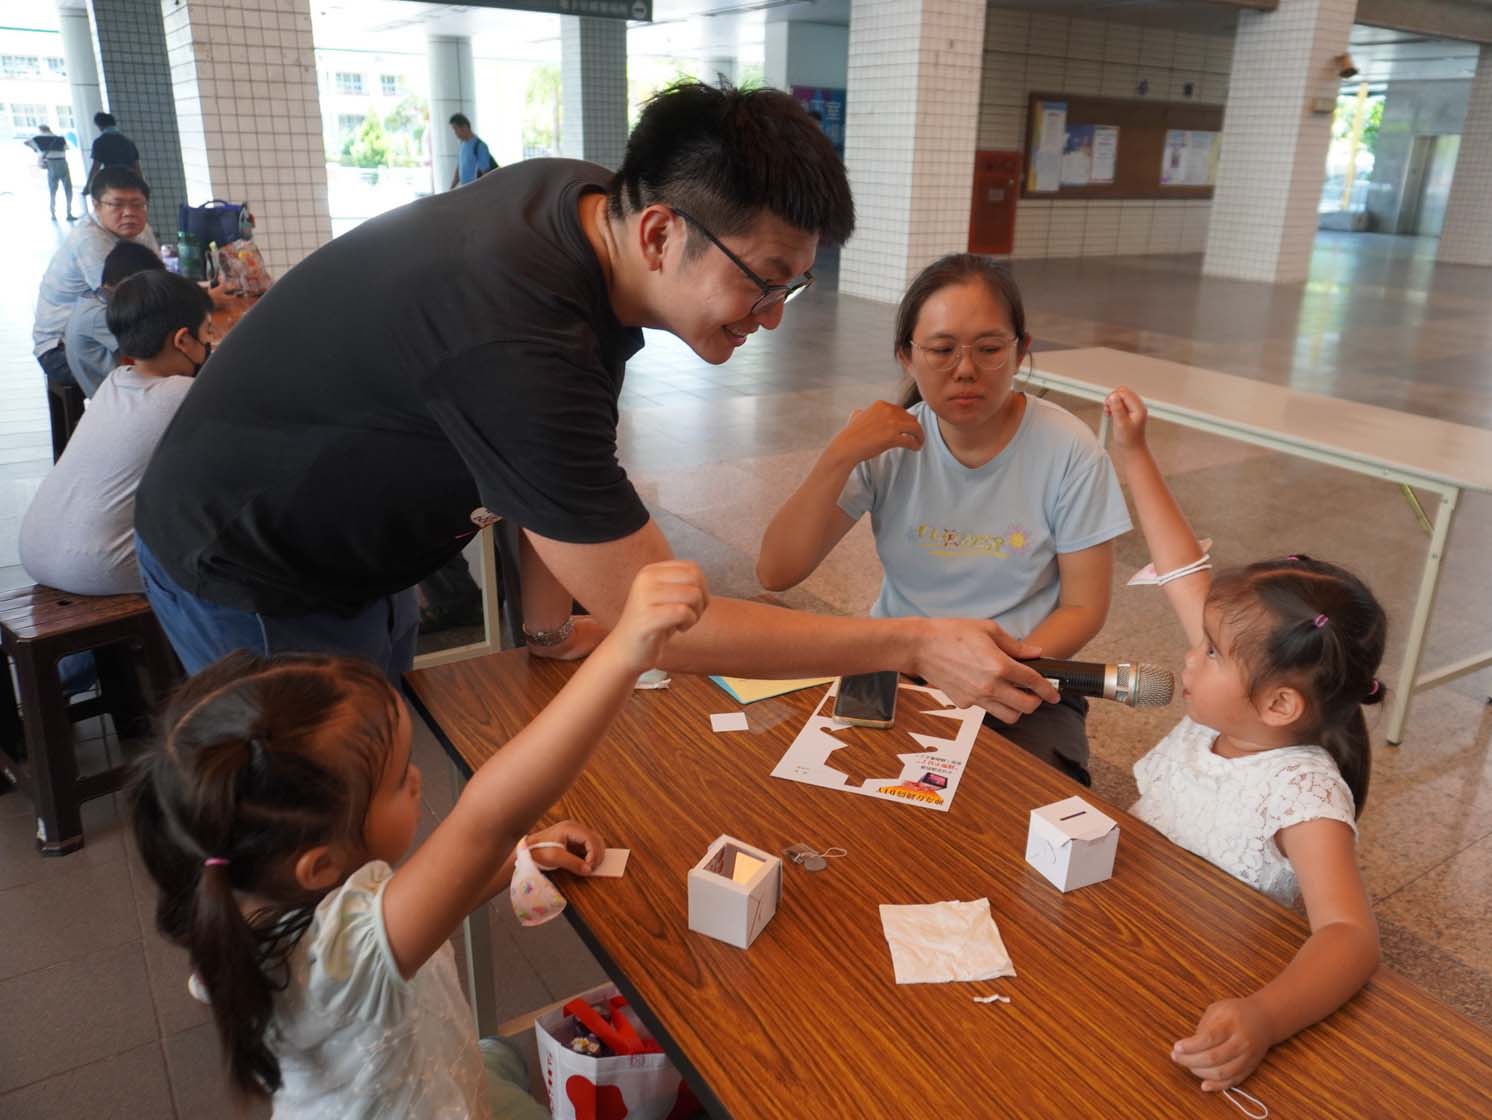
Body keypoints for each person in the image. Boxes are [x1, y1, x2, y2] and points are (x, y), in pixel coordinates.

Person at [134, 82, 1057, 721]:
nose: (772, 320)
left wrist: (545, 625)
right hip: (251, 557)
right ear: (661, 231)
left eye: (793, 290)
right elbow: (656, 617)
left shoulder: (584, 207)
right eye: (763, 284)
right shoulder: (513, 328)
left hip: (359, 542)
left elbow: (554, 473)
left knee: (375, 749)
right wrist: (907, 644)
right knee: (305, 816)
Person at [128, 559, 708, 1115]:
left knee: (494, 1064)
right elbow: (487, 819)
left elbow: (417, 896)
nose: (417, 778)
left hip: (440, 1071)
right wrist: (623, 650)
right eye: (397, 779)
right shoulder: (340, 962)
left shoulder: (254, 897)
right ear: (320, 864)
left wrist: (518, 860)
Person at [1103, 386, 1383, 1095]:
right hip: (1128, 930)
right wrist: (1134, 453)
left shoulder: (1302, 793)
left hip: (1202, 980)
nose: (1189, 659)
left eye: (1212, 655)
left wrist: (1264, 1017)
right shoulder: (1236, 708)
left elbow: (1349, 937)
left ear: (1280, 703)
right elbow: (1179, 564)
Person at [757, 255, 1130, 783]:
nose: (965, 369)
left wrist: (997, 670)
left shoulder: (1068, 448)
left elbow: (1083, 606)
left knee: (1023, 807)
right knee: (846, 794)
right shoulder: (886, 445)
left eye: (989, 348)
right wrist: (838, 456)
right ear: (906, 356)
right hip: (895, 663)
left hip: (1023, 673)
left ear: (1022, 350)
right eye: (941, 349)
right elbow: (776, 571)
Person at [20, 272, 213, 597]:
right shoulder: (181, 392)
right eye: (208, 331)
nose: (212, 341)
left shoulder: (114, 382)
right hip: (102, 568)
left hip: (34, 550)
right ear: (182, 340)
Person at [32, 167, 159, 389]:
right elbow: (138, 302)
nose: (129, 212)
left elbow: (159, 281)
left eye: (137, 204)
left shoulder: (141, 230)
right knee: (166, 372)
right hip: (62, 347)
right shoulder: (90, 240)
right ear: (97, 205)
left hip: (114, 330)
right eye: (117, 204)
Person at [63, 240, 165, 397]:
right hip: (114, 398)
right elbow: (150, 349)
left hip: (118, 389)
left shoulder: (94, 299)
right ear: (128, 283)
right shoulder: (99, 315)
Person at [27, 124, 76, 222]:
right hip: (62, 163)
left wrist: (37, 150)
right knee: (68, 189)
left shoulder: (38, 138)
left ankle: (53, 214)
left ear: (40, 130)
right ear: (49, 129)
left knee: (52, 190)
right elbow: (66, 148)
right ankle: (69, 213)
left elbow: (26, 142)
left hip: (51, 164)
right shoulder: (60, 138)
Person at [86, 111, 141, 192]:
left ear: (100, 126)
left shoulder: (99, 142)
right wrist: (141, 184)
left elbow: (96, 167)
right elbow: (137, 167)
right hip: (130, 181)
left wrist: (88, 185)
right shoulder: (128, 142)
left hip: (113, 182)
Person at [448, 112, 497, 189]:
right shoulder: (462, 145)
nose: (455, 133)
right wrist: (450, 189)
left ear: (464, 127)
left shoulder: (480, 146)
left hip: (476, 192)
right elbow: (459, 169)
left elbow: (486, 174)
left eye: (455, 129)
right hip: (465, 191)